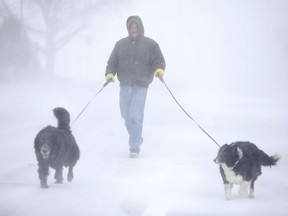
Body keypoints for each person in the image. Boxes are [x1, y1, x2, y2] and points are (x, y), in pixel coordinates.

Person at [105, 15, 166, 158]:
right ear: (128, 28)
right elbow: (112, 62)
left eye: (135, 27)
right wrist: (110, 74)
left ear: (140, 27)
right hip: (125, 84)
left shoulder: (151, 44)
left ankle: (134, 146)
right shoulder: (120, 44)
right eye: (131, 27)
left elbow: (159, 60)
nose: (133, 29)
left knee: (135, 115)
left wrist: (159, 70)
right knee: (126, 115)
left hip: (141, 84)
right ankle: (136, 137)